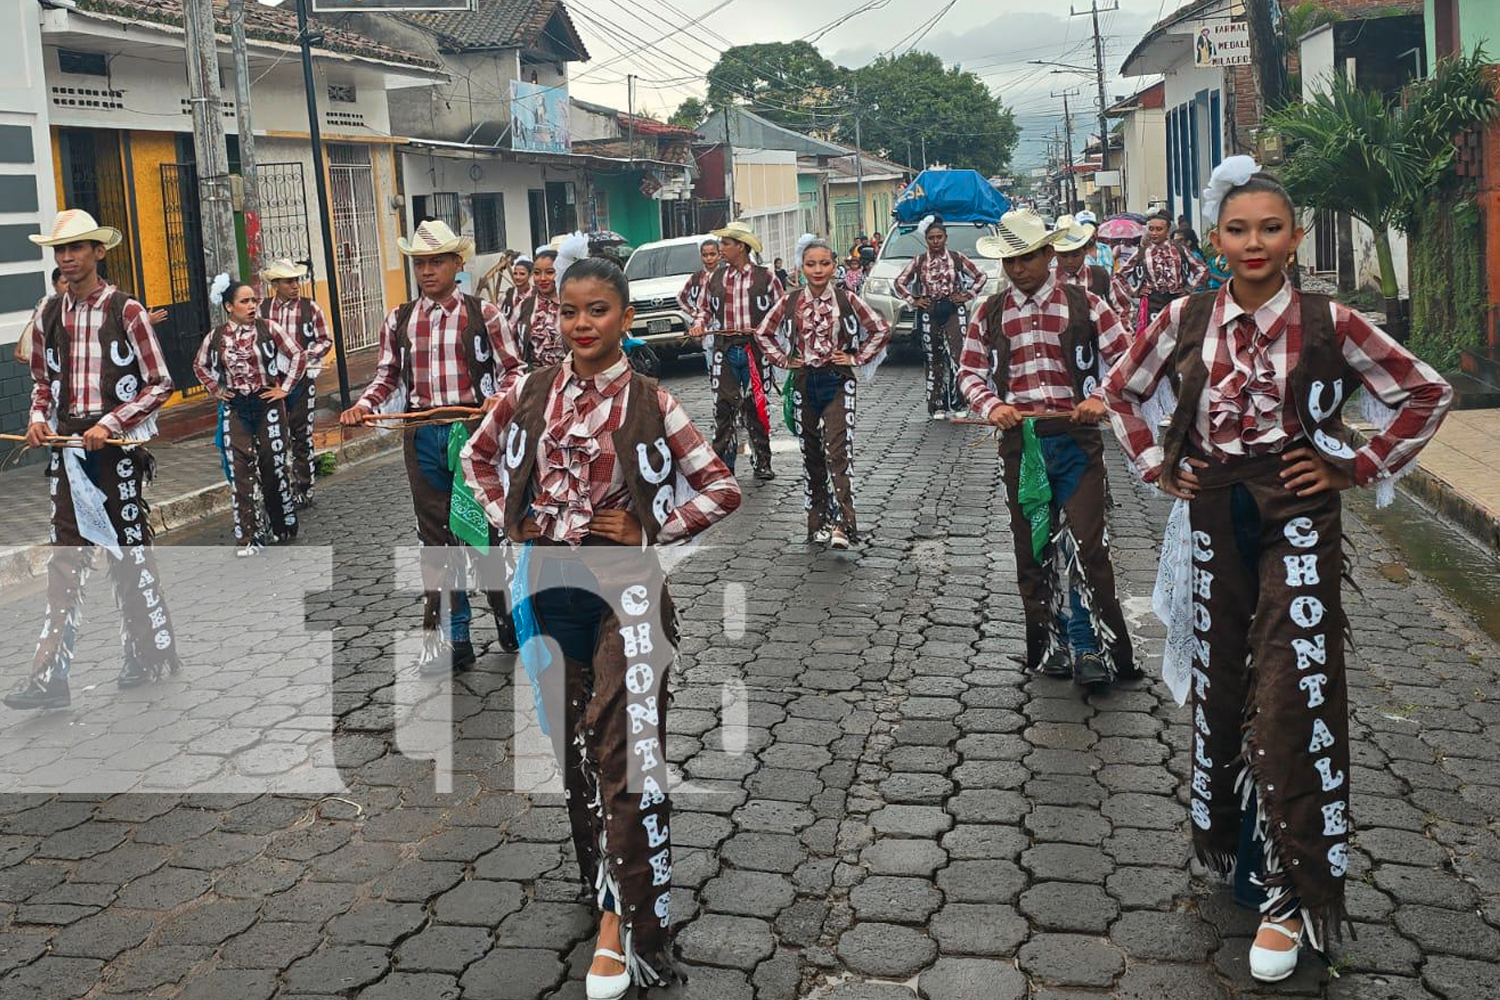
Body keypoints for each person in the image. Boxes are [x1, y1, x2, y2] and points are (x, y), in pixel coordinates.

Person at [1103, 159, 1453, 983]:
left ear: (1295, 239)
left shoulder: (1331, 322)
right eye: (1237, 229)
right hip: (1212, 517)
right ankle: (1239, 844)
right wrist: (1159, 461)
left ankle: (1292, 893)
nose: (1254, 242)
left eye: (1270, 228)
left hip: (1298, 518)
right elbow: (1123, 394)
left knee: (1291, 693)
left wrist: (1354, 466)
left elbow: (1424, 393)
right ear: (1214, 240)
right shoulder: (1187, 317)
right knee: (1224, 685)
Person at [461, 257, 741, 999]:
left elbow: (722, 485)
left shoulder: (652, 399)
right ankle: (605, 884)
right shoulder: (526, 391)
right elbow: (475, 457)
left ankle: (630, 930)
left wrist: (650, 528)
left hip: (627, 595)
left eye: (597, 311)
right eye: (569, 311)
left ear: (623, 318)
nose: (581, 324)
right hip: (546, 591)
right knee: (576, 754)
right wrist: (507, 520)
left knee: (626, 755)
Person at [8, 209, 181, 710]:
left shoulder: (126, 311)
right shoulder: (48, 315)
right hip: (68, 450)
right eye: (60, 250)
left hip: (115, 451)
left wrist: (112, 424)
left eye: (77, 248)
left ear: (98, 252)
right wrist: (39, 419)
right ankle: (50, 676)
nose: (66, 258)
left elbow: (160, 383)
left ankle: (146, 654)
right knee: (65, 556)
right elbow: (43, 382)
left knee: (127, 554)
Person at [958, 209, 1138, 690]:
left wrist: (1099, 398)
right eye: (1011, 260)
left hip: (1076, 440)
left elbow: (1125, 359)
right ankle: (1051, 642)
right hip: (1022, 445)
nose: (1018, 269)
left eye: (1027, 258)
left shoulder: (1087, 305)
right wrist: (992, 405)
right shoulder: (990, 311)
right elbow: (969, 371)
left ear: (1047, 254)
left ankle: (1090, 643)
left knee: (1084, 542)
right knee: (1033, 545)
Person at [339, 220, 525, 673]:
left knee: (482, 532)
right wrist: (363, 406)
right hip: (422, 434)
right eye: (420, 263)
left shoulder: (485, 315)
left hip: (474, 434)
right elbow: (387, 376)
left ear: (457, 265)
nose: (427, 271)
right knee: (436, 539)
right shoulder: (399, 319)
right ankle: (453, 637)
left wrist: (500, 399)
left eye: (436, 261)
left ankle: (504, 612)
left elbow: (515, 370)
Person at [755, 236, 891, 549]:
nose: (818, 270)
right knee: (811, 454)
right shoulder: (789, 301)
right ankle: (818, 522)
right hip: (804, 383)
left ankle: (845, 525)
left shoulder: (846, 300)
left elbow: (880, 329)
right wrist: (784, 360)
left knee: (838, 452)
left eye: (825, 263)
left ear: (834, 266)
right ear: (801, 268)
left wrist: (856, 357)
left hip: (839, 381)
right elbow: (763, 333)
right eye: (811, 264)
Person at [195, 277, 306, 556]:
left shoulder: (269, 328)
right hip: (236, 407)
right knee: (240, 472)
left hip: (267, 403)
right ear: (229, 306)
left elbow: (297, 356)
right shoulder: (216, 336)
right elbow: (200, 365)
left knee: (272, 465)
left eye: (254, 300)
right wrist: (216, 389)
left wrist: (284, 389)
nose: (252, 306)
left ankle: (281, 525)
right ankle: (249, 537)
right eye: (245, 301)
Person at [688, 220, 784, 480]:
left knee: (756, 406)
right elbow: (704, 310)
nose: (721, 248)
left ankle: (762, 461)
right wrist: (698, 326)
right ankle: (723, 466)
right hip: (725, 349)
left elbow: (781, 310)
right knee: (724, 407)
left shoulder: (766, 277)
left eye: (726, 243)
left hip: (755, 350)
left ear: (741, 247)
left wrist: (771, 334)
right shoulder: (715, 278)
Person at [895, 214, 989, 420]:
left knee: (959, 356)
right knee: (933, 358)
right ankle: (937, 404)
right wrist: (915, 300)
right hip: (930, 312)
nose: (936, 241)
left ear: (946, 237)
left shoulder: (957, 258)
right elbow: (899, 282)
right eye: (931, 238)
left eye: (939, 237)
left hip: (954, 311)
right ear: (926, 240)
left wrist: (966, 296)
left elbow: (981, 276)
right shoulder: (919, 261)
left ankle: (960, 402)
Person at [260, 259, 332, 506]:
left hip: (302, 379)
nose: (295, 285)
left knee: (301, 433)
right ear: (275, 284)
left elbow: (325, 340)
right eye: (289, 281)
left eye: (296, 280)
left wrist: (305, 355)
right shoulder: (262, 309)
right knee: (274, 434)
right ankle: (279, 488)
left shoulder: (310, 308)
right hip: (272, 380)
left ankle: (304, 486)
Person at [1115, 209, 1208, 336]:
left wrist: (1188, 288)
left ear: (1168, 231)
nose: (1154, 233)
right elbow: (1120, 275)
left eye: (1159, 229)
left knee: (1178, 337)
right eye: (1151, 229)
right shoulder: (1142, 252)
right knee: (1153, 339)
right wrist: (1135, 292)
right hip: (1152, 302)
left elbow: (1203, 270)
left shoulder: (1180, 250)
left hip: (1177, 300)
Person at [1053, 215, 1120, 312]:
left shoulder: (1100, 275)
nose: (1070, 261)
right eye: (1063, 256)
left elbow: (1120, 309)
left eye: (1075, 255)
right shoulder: (1047, 280)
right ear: (1055, 253)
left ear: (1085, 250)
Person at [513, 249, 564, 366]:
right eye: (537, 273)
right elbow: (512, 344)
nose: (542, 278)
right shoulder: (523, 307)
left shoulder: (572, 306)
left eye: (550, 272)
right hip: (535, 379)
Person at [13, 268, 67, 366]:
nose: (69, 286)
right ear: (54, 285)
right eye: (65, 282)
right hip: (48, 360)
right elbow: (32, 323)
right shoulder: (45, 303)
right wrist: (19, 347)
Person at [675, 238, 720, 317]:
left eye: (712, 254)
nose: (709, 258)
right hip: (701, 324)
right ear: (701, 257)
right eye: (705, 255)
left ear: (719, 255)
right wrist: (693, 312)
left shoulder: (726, 275)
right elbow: (680, 297)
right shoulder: (696, 277)